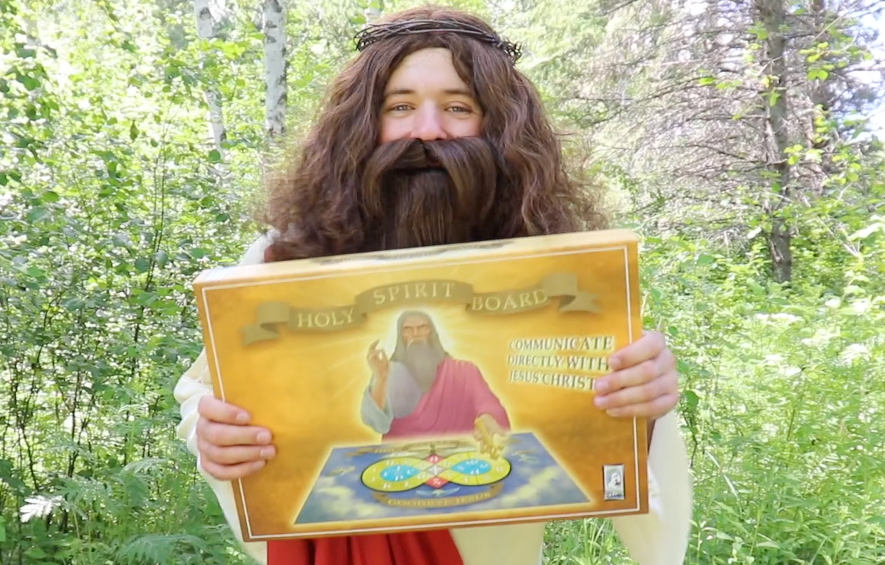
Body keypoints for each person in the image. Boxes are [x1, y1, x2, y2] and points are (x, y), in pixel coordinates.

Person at [174, 5, 692, 565]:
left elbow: (540, 423)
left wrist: (646, 399)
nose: (427, 130)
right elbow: (209, 394)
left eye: (457, 107)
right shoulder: (283, 258)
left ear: (498, 125)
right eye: (400, 107)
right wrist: (211, 434)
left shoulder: (559, 267)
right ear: (360, 126)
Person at [360, 310, 511, 441]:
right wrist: (381, 378)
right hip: (401, 458)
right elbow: (376, 422)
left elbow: (488, 403)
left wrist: (488, 418)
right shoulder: (388, 372)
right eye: (408, 329)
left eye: (422, 328)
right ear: (401, 336)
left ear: (432, 333)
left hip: (460, 456)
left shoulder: (464, 370)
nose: (415, 334)